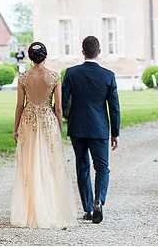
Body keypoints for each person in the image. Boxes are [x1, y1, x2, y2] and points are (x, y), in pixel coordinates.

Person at [10, 41, 76, 229]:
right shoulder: (54, 77)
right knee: (49, 163)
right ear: (45, 56)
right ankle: (50, 209)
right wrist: (59, 127)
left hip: (28, 121)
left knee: (30, 164)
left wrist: (15, 128)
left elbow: (19, 106)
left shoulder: (23, 78)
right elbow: (59, 107)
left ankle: (31, 211)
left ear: (30, 57)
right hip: (47, 121)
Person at [61, 35, 121, 224]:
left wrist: (66, 117)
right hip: (99, 128)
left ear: (82, 51)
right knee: (102, 167)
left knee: (82, 167)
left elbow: (63, 102)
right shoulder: (108, 76)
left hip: (77, 127)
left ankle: (88, 209)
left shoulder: (71, 73)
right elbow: (114, 107)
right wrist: (115, 132)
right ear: (99, 51)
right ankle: (99, 200)